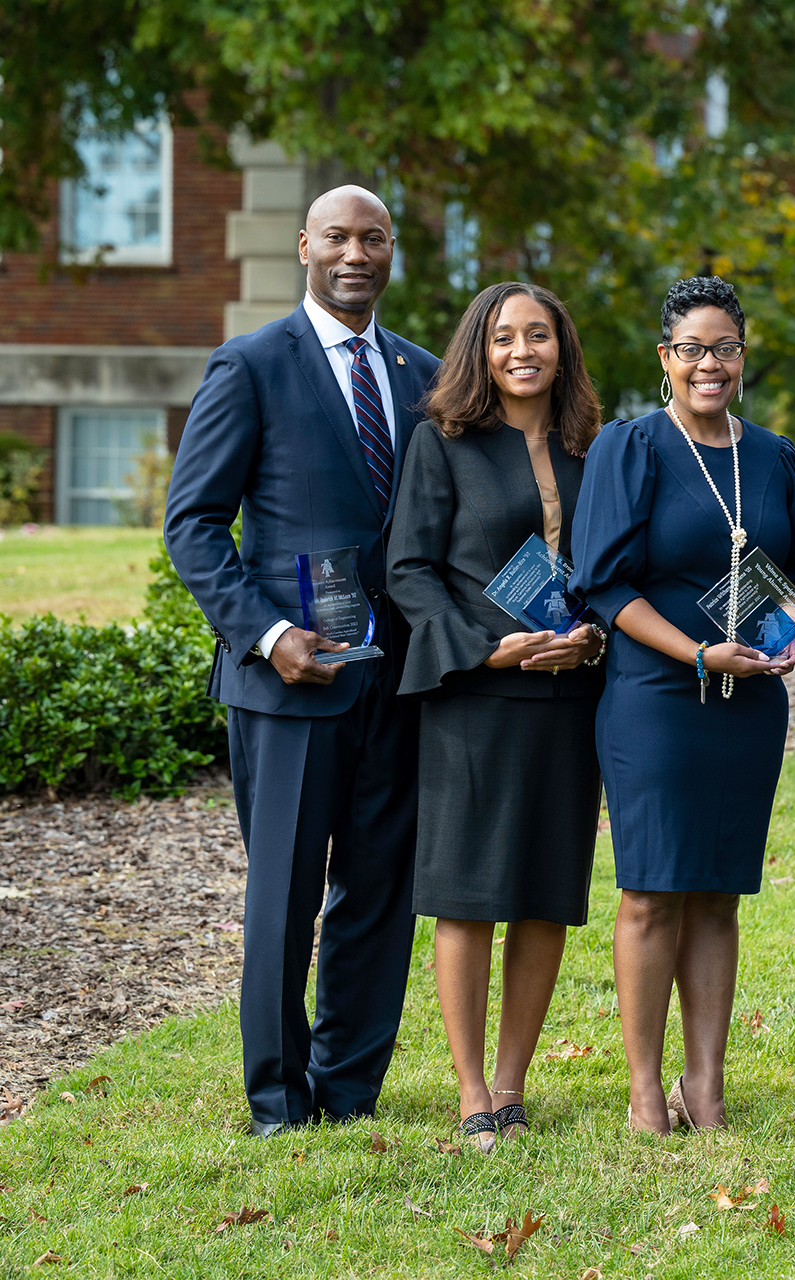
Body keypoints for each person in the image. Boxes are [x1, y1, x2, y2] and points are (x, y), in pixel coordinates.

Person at [163, 186, 439, 1136]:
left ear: (391, 251)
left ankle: (350, 1086)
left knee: (380, 892)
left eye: (374, 239)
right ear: (304, 247)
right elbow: (193, 526)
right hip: (287, 685)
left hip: (397, 682)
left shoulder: (422, 374)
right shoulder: (249, 365)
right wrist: (269, 633)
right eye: (338, 238)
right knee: (284, 897)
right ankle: (279, 1100)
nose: (355, 253)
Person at [572, 275, 795, 1135]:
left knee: (718, 892)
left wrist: (789, 626)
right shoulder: (632, 447)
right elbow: (603, 584)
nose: (709, 364)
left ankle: (706, 1086)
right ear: (665, 359)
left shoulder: (774, 456)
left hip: (748, 704)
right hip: (656, 697)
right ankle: (647, 1091)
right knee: (651, 889)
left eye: (724, 348)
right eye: (692, 349)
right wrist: (693, 649)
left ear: (742, 356)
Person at [386, 282, 608, 1150]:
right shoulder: (442, 445)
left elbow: (615, 564)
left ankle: (514, 1083)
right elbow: (410, 569)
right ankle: (472, 1089)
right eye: (505, 337)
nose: (523, 351)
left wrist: (591, 639)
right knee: (470, 895)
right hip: (476, 695)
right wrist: (485, 645)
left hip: (570, 696)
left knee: (547, 893)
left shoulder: (596, 446)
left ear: (563, 347)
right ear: (479, 350)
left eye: (540, 335)